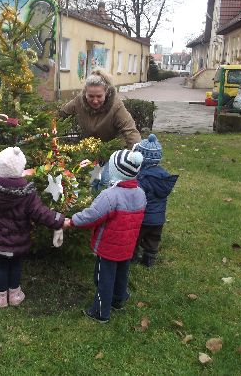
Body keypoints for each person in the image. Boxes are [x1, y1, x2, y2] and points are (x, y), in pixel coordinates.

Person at [0, 146, 66, 308]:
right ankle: (15, 295)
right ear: (21, 169)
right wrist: (59, 220)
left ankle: (1, 298)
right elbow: (42, 213)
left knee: (1, 266)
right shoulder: (27, 194)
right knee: (15, 266)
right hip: (18, 242)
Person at [64, 149, 146, 323]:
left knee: (104, 279)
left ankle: (100, 311)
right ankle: (118, 299)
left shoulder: (109, 196)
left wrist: (72, 221)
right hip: (128, 245)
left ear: (115, 171)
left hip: (109, 247)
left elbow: (92, 215)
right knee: (122, 273)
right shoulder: (140, 192)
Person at [58, 67, 141, 149]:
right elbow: (61, 114)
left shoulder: (116, 106)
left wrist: (138, 152)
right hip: (87, 149)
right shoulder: (78, 101)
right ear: (85, 93)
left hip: (111, 151)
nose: (95, 101)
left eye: (99, 96)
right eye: (91, 96)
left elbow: (130, 131)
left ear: (106, 92)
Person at [133, 134, 178, 267]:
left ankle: (133, 256)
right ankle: (149, 259)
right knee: (153, 239)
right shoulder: (164, 177)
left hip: (143, 218)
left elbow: (137, 196)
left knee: (135, 237)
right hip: (158, 218)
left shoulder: (142, 178)